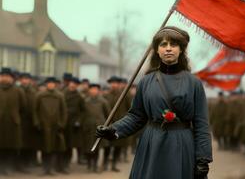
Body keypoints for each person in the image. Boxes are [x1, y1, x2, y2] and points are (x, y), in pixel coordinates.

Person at [96, 26, 213, 179]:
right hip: (152, 143)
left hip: (182, 144)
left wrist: (203, 159)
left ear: (181, 49)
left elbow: (201, 123)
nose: (168, 49)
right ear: (157, 50)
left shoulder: (194, 83)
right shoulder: (146, 81)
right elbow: (136, 116)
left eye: (173, 44)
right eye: (163, 45)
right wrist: (113, 130)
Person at [34, 77, 67, 175]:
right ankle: (45, 168)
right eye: (49, 83)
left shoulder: (60, 96)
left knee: (54, 148)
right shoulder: (40, 95)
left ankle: (50, 169)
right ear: (46, 84)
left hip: (55, 126)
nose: (51, 85)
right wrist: (37, 123)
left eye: (53, 83)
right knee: (44, 148)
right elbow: (35, 110)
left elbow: (64, 111)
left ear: (55, 84)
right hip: (43, 126)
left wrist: (62, 124)